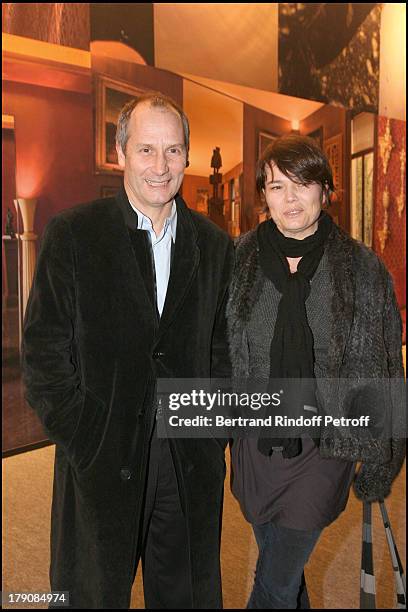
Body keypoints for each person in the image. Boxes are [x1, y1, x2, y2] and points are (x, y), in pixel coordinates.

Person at [22, 92, 234, 609]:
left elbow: (223, 350)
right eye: (146, 150)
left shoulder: (214, 244)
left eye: (173, 151)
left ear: (187, 156)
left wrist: (212, 433)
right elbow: (44, 355)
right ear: (120, 152)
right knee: (92, 594)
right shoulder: (73, 235)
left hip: (186, 459)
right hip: (101, 456)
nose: (160, 167)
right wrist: (85, 435)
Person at [226, 134, 405, 609]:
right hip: (255, 442)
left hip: (325, 446)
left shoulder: (361, 269)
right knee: (284, 576)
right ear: (262, 194)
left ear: (325, 190)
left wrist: (383, 455)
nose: (290, 199)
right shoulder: (237, 259)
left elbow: (388, 364)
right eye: (277, 186)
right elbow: (215, 347)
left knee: (274, 583)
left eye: (303, 184)